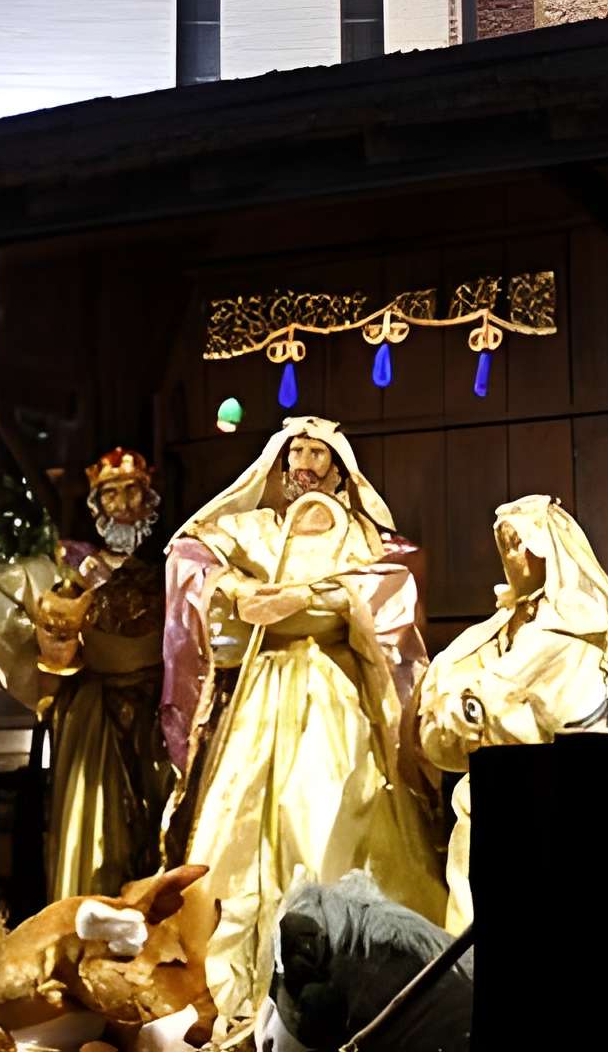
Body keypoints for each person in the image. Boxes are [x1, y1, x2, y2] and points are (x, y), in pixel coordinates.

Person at [158, 417, 445, 1027]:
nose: (306, 463)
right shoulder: (256, 529)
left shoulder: (359, 535)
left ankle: (344, 965)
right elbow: (187, 554)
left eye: (319, 453)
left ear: (340, 469)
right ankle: (233, 976)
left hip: (335, 694)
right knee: (244, 822)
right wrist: (236, 591)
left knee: (331, 810)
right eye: (297, 452)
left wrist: (321, 600)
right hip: (265, 695)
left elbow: (388, 586)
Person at [417, 495, 608, 1027]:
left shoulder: (575, 629)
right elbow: (456, 702)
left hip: (567, 801)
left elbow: (515, 699)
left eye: (520, 543)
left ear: (547, 549)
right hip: (503, 795)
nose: (511, 556)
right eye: (504, 545)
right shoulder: (495, 632)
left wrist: (471, 707)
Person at [30, 447, 180, 901]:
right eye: (111, 494)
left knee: (164, 812)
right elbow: (55, 645)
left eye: (133, 491)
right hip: (99, 710)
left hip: (159, 705)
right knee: (101, 816)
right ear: (97, 504)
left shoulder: (174, 563)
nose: (123, 504)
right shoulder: (75, 568)